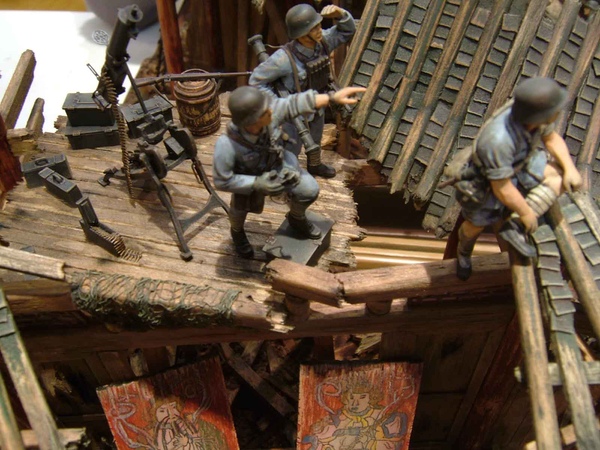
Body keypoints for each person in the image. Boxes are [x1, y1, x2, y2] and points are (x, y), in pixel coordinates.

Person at [453, 77, 583, 280]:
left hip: (520, 164)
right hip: (487, 184)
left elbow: (551, 139)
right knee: (474, 226)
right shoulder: (497, 140)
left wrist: (569, 167)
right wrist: (525, 212)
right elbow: (502, 188)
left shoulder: (534, 119)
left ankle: (514, 226)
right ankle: (463, 253)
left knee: (558, 176)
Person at [213, 85, 365, 258]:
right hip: (249, 179)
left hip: (278, 165)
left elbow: (295, 103)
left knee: (309, 190)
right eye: (264, 113)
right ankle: (237, 232)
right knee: (238, 211)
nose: (271, 112)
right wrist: (256, 184)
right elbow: (222, 180)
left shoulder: (270, 113)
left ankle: (296, 217)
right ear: (250, 122)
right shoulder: (226, 145)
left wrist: (331, 98)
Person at [249, 3, 356, 179]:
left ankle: (315, 165)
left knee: (315, 139)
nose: (320, 30)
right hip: (295, 113)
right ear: (301, 34)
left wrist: (341, 14)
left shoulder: (323, 42)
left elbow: (347, 31)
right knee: (292, 147)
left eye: (319, 25)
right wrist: (279, 105)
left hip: (317, 105)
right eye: (314, 28)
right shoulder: (283, 59)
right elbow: (256, 81)